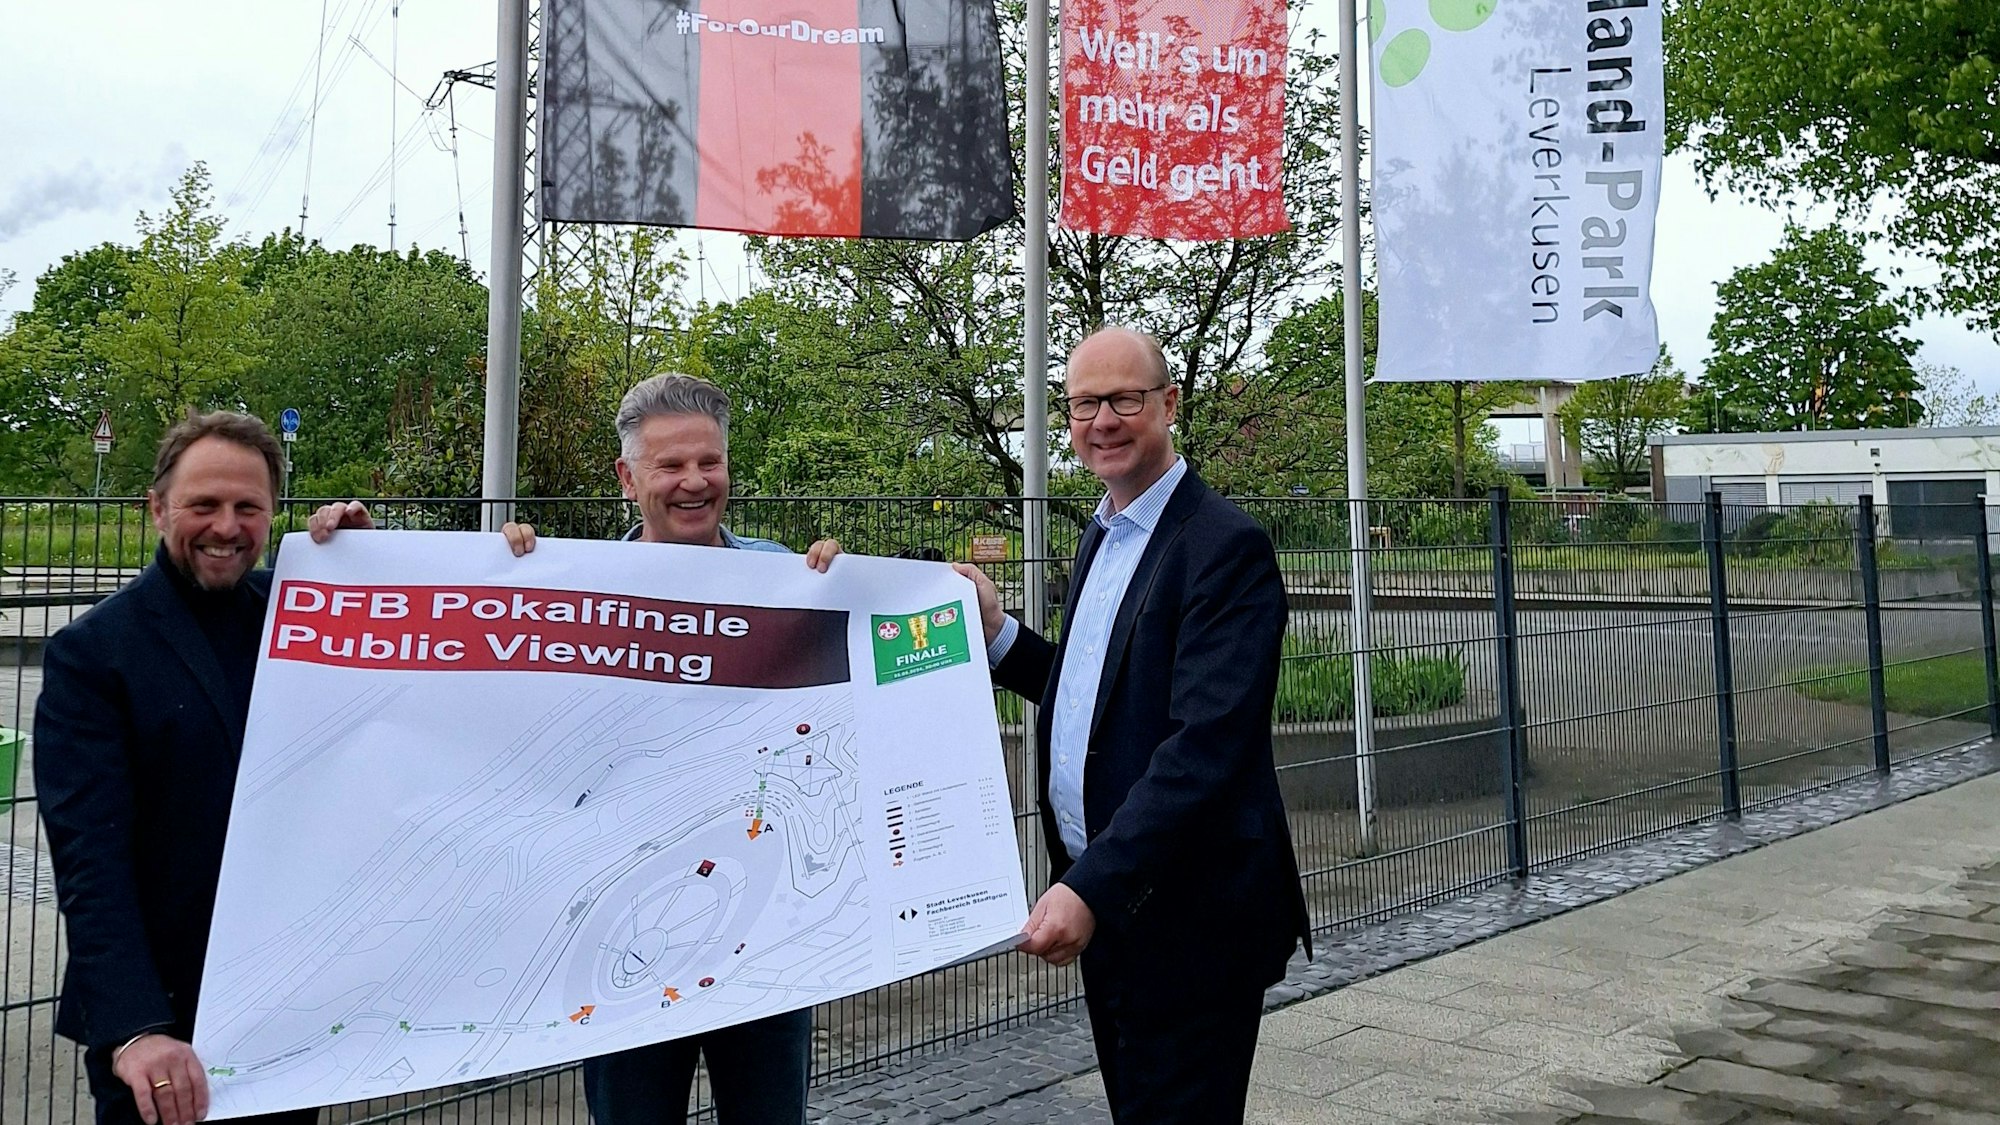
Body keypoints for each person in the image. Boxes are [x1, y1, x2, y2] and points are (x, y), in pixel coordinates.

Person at [309, 373, 833, 1125]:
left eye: (708, 462)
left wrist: (839, 584)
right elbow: (452, 689)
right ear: (627, 478)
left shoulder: (787, 575)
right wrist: (362, 562)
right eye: (670, 465)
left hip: (759, 931)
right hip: (624, 930)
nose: (694, 482)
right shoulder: (568, 590)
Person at [956, 327, 1311, 1124]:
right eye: (1085, 403)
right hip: (1117, 905)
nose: (1103, 420)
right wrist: (997, 635)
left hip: (1190, 921)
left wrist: (1089, 887)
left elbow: (1205, 747)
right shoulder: (1106, 531)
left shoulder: (1227, 547)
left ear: (1169, 404)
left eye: (1124, 399)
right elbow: (1094, 694)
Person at [35, 412, 369, 1125]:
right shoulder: (92, 656)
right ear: (157, 508)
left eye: (248, 507)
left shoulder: (305, 614)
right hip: (163, 1029)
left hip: (282, 1008)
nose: (226, 526)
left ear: (273, 513)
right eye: (203, 505)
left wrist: (373, 571)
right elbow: (91, 863)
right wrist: (134, 1027)